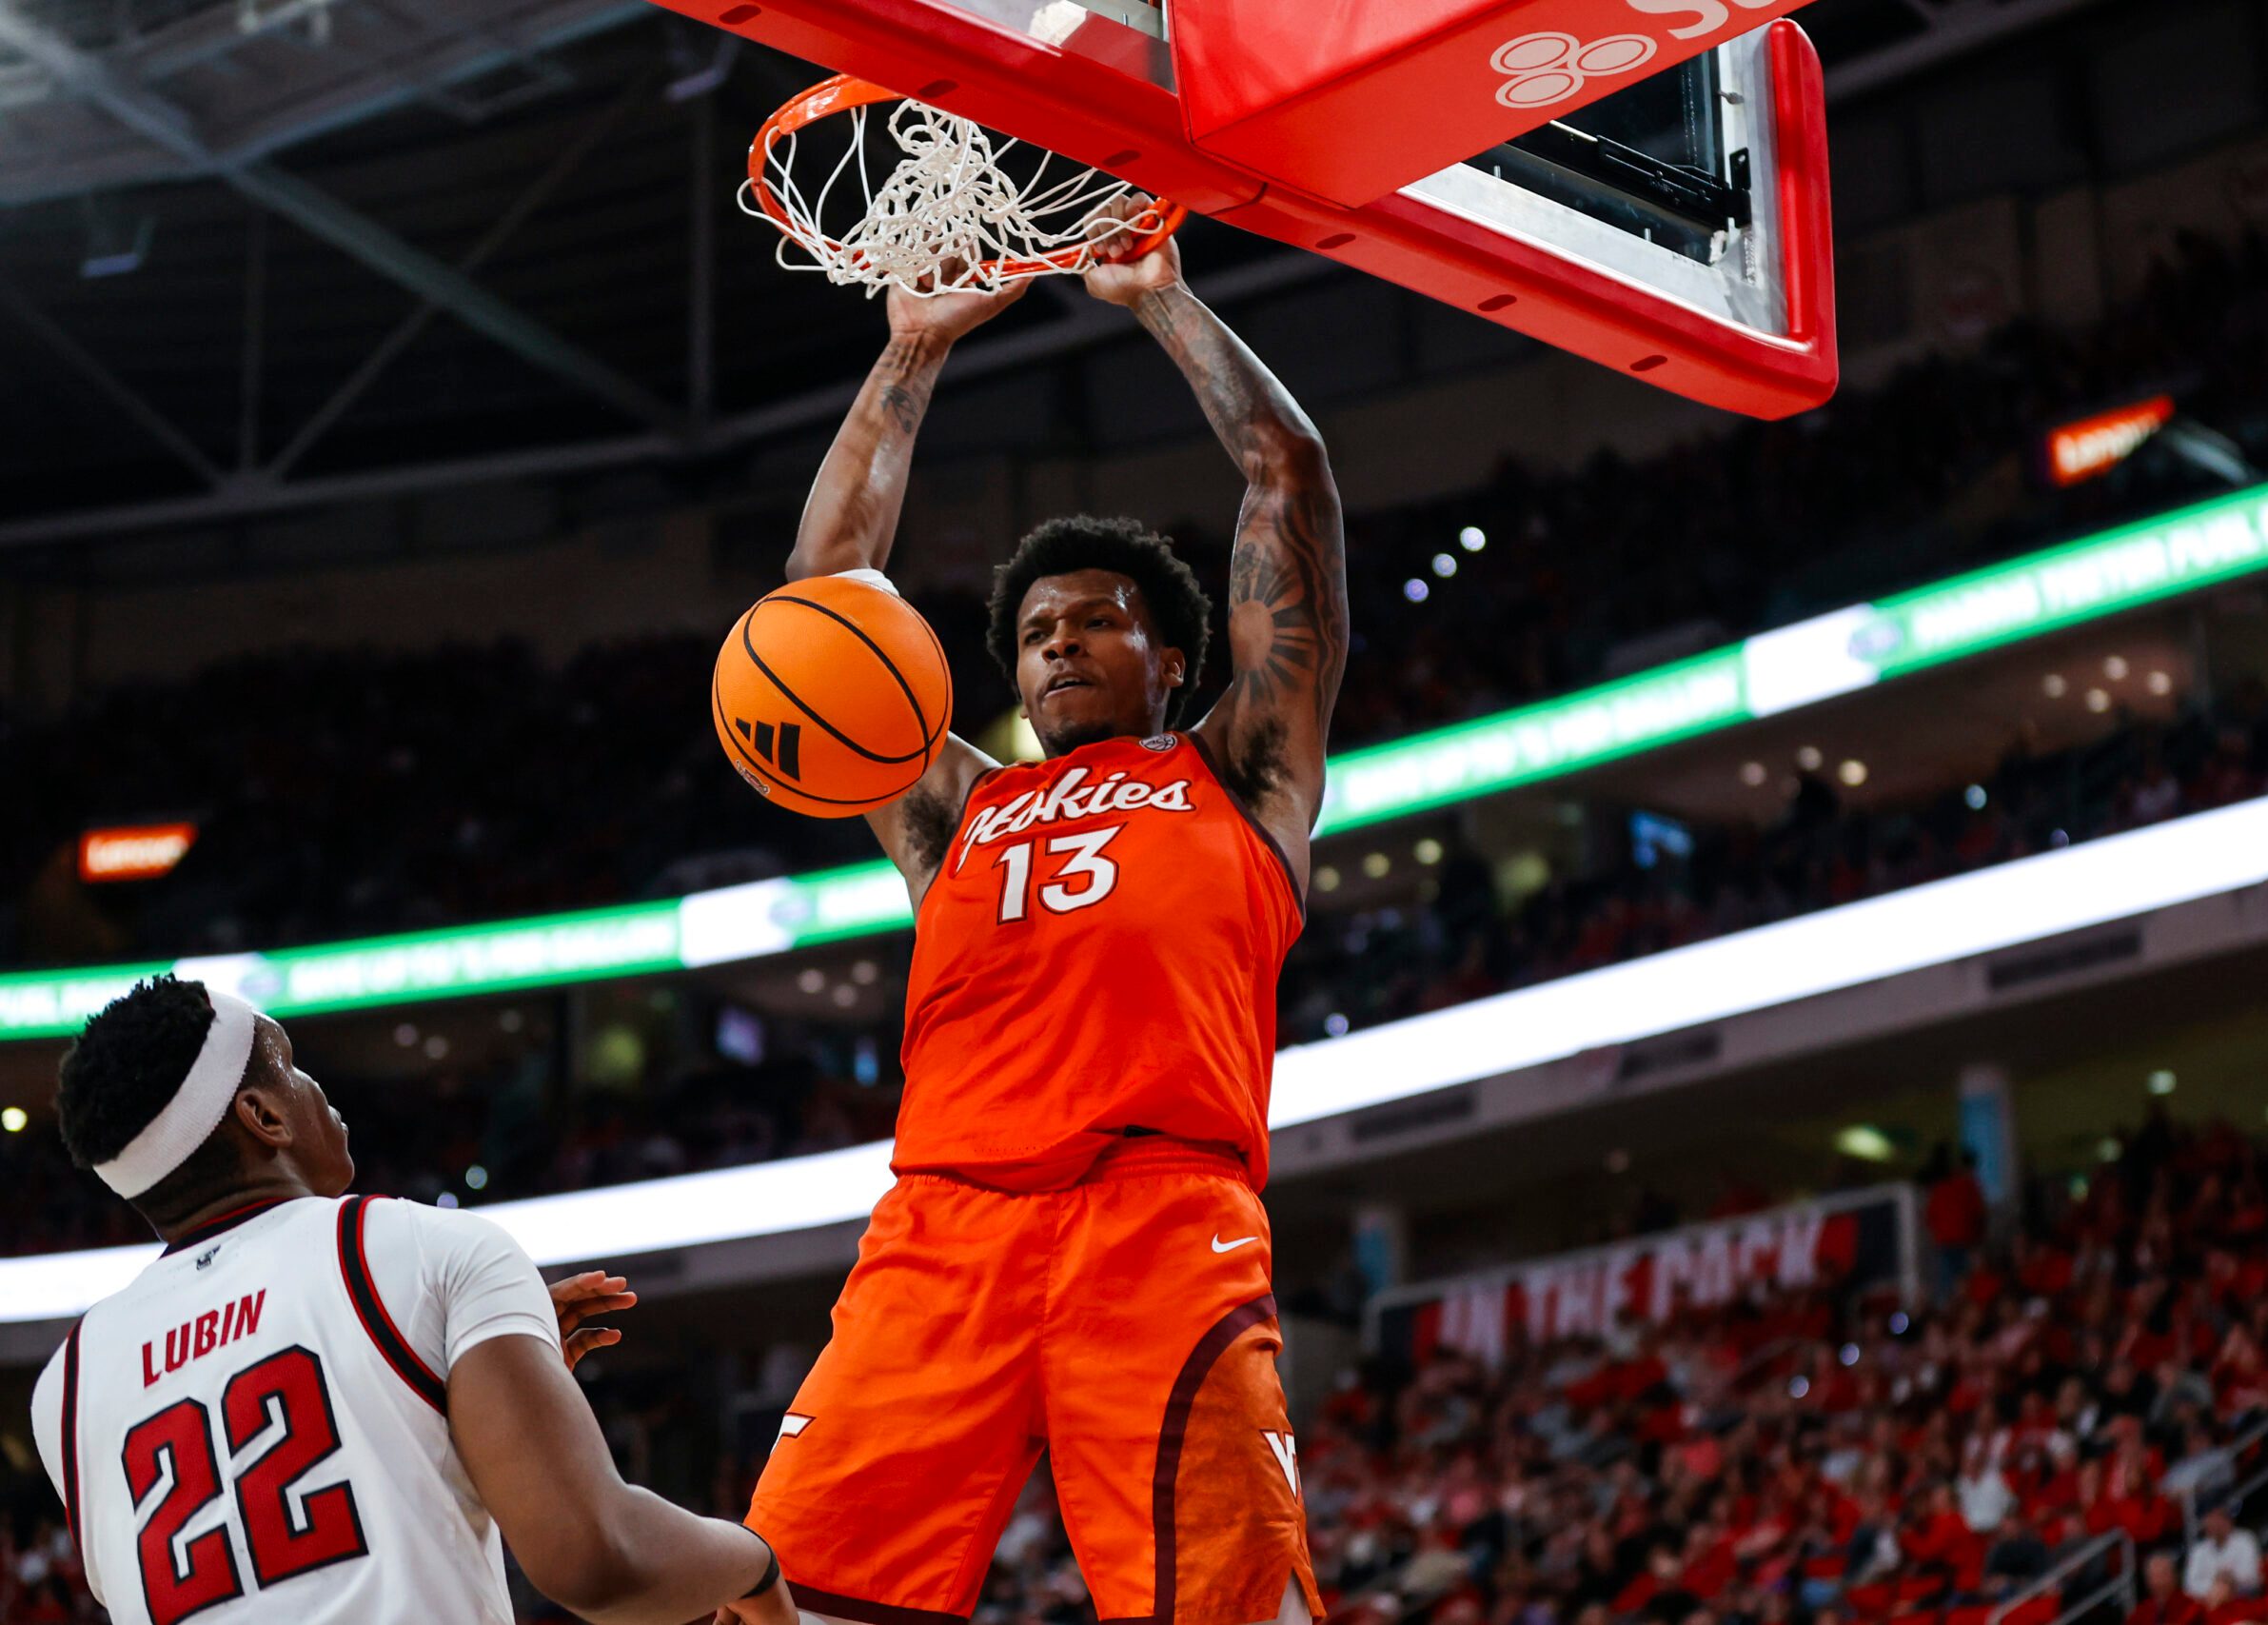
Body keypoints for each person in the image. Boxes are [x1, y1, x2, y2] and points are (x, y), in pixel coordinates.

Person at [744, 200, 1344, 1625]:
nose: (1058, 638)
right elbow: (819, 606)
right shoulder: (954, 801)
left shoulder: (1241, 766)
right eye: (1034, 630)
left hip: (1160, 1217)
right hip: (942, 1231)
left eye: (1094, 619)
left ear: (1173, 654)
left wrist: (1161, 302)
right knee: (777, 1599)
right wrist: (908, 354)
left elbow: (1288, 470)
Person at [27, 976, 793, 1625]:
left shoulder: (66, 1384)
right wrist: (756, 1565)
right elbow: (598, 1559)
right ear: (264, 1117)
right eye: (292, 1067)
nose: (318, 1088)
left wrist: (462, 1404)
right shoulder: (416, 1245)